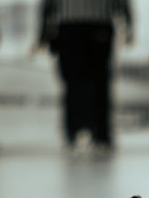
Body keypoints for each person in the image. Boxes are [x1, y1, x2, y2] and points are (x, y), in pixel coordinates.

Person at [37, 0, 133, 152]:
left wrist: (43, 32)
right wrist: (128, 24)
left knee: (74, 81)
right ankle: (100, 134)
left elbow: (48, 5)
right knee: (98, 81)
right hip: (98, 23)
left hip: (70, 26)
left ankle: (75, 130)